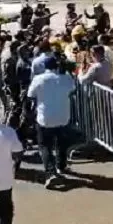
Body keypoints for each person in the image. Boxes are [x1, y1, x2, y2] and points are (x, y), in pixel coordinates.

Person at [27, 56, 75, 188]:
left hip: (45, 118)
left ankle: (50, 172)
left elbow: (30, 95)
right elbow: (72, 89)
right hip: (63, 116)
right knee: (62, 142)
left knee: (44, 146)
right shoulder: (65, 78)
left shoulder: (39, 79)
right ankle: (61, 166)